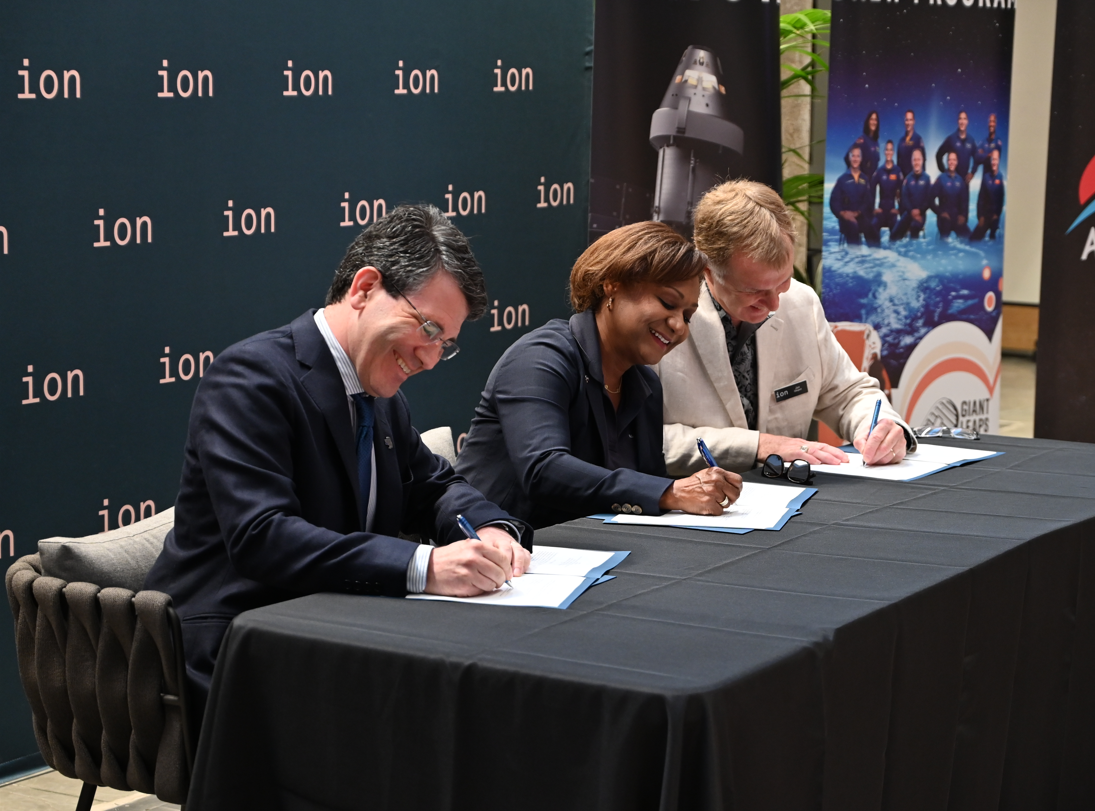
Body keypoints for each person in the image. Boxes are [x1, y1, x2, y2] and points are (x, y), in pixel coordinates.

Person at [146, 204, 530, 724]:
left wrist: (489, 525)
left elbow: (433, 485)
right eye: (429, 328)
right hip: (233, 644)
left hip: (333, 629)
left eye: (447, 344)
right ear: (365, 288)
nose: (430, 358)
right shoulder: (250, 377)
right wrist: (424, 566)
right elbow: (264, 536)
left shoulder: (379, 390)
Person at [455, 223, 741, 528]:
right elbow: (543, 469)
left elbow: (649, 486)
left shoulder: (645, 385)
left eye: (687, 315)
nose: (679, 326)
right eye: (668, 303)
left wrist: (683, 492)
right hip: (496, 553)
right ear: (612, 285)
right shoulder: (540, 357)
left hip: (592, 553)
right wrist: (671, 491)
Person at [659, 180, 916, 473]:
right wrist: (758, 446)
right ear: (707, 271)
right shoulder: (663, 321)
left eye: (783, 282)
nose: (774, 305)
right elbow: (636, 439)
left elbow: (848, 393)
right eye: (753, 291)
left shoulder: (800, 302)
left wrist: (883, 428)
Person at [829, 146, 875, 246]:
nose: (855, 159)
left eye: (858, 156)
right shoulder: (842, 179)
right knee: (853, 226)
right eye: (853, 156)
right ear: (849, 158)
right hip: (846, 218)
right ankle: (855, 256)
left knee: (871, 228)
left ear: (861, 159)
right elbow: (834, 201)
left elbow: (867, 201)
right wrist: (842, 213)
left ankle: (875, 255)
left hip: (860, 215)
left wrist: (858, 212)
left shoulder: (864, 179)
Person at [892, 147, 934, 241]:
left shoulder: (927, 179)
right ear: (911, 161)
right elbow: (905, 198)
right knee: (894, 235)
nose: (916, 162)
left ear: (922, 161)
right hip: (908, 213)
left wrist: (920, 211)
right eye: (914, 159)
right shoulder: (907, 179)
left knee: (914, 228)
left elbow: (929, 200)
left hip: (921, 214)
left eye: (918, 159)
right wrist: (912, 211)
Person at [870, 138, 903, 245]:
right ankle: (876, 254)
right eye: (887, 150)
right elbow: (871, 189)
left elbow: (903, 191)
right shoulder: (879, 171)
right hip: (881, 212)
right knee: (873, 227)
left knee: (896, 234)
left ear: (893, 152)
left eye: (891, 150)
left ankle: (893, 256)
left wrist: (900, 209)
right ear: (885, 152)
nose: (889, 152)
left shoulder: (897, 171)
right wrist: (873, 209)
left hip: (892, 212)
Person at [933, 151, 971, 239]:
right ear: (947, 162)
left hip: (957, 217)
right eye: (949, 160)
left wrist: (963, 216)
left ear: (957, 162)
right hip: (944, 218)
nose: (951, 162)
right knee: (944, 244)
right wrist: (940, 213)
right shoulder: (941, 179)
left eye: (954, 160)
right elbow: (930, 199)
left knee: (969, 238)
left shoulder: (960, 180)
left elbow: (964, 201)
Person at [971, 147, 1006, 242]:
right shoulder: (986, 177)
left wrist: (997, 215)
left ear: (998, 161)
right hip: (985, 216)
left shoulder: (1000, 177)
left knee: (993, 238)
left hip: (995, 216)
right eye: (992, 159)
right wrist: (980, 217)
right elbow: (980, 199)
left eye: (995, 159)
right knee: (973, 240)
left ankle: (993, 233)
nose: (993, 162)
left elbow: (1001, 199)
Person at [935, 110, 978, 179]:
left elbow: (977, 157)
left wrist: (973, 172)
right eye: (960, 119)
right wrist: (944, 171)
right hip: (951, 182)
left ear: (967, 122)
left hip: (964, 182)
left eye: (964, 119)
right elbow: (938, 155)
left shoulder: (971, 141)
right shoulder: (951, 139)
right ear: (958, 121)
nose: (962, 122)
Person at [843, 110, 881, 179]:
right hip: (862, 182)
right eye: (871, 119)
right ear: (868, 122)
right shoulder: (862, 140)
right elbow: (847, 157)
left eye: (875, 120)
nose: (873, 122)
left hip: (871, 183)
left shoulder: (876, 143)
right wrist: (856, 175)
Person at [897, 110, 925, 180]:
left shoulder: (918, 140)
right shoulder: (901, 141)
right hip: (903, 182)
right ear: (904, 122)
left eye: (910, 120)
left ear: (914, 121)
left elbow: (923, 162)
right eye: (907, 120)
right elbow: (898, 163)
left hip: (916, 181)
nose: (908, 123)